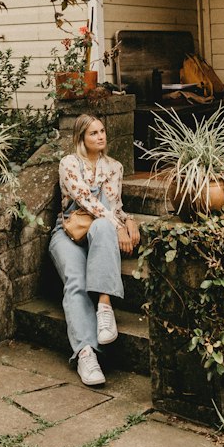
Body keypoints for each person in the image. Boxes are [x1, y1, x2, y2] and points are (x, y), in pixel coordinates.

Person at [50, 112, 141, 387]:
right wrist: (119, 226)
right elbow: (87, 201)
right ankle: (86, 354)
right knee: (75, 281)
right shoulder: (68, 163)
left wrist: (129, 221)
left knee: (102, 227)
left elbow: (115, 207)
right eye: (93, 133)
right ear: (81, 137)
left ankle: (104, 307)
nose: (100, 136)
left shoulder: (115, 167)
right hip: (68, 231)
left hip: (100, 231)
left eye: (102, 131)